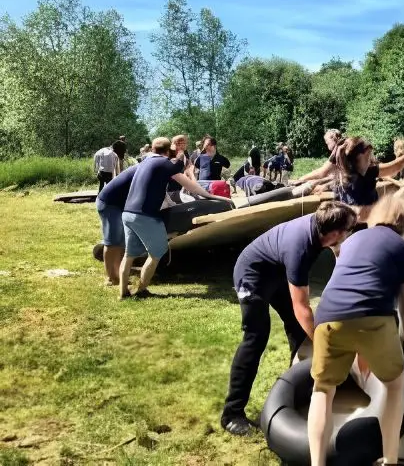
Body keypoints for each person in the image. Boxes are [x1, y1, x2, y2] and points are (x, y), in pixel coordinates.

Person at [220, 202, 357, 436]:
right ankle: (231, 414)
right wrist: (323, 342)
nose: (350, 234)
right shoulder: (300, 248)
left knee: (298, 331)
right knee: (256, 337)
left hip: (276, 272)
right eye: (349, 230)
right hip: (252, 275)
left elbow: (339, 252)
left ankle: (300, 386)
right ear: (335, 233)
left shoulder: (323, 228)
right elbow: (302, 308)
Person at [307, 195, 404, 466]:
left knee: (322, 390)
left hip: (327, 318)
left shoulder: (350, 241)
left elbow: (344, 283)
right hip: (374, 319)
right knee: (395, 385)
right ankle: (390, 459)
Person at [118, 137, 234, 300]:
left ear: (153, 149)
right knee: (157, 253)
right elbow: (188, 182)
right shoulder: (164, 164)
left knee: (129, 255)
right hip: (145, 215)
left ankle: (123, 293)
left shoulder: (143, 162)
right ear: (168, 151)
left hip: (128, 213)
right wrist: (214, 197)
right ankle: (142, 291)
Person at [331, 137, 404, 219]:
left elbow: (395, 167)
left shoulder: (368, 171)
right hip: (357, 231)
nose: (371, 158)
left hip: (372, 223)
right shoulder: (345, 181)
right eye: (369, 154)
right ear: (361, 156)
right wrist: (388, 207)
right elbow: (359, 214)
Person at [96, 165, 138, 286]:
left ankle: (118, 275)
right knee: (112, 242)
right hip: (110, 204)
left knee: (121, 241)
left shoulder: (148, 167)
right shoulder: (147, 169)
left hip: (120, 204)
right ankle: (111, 278)